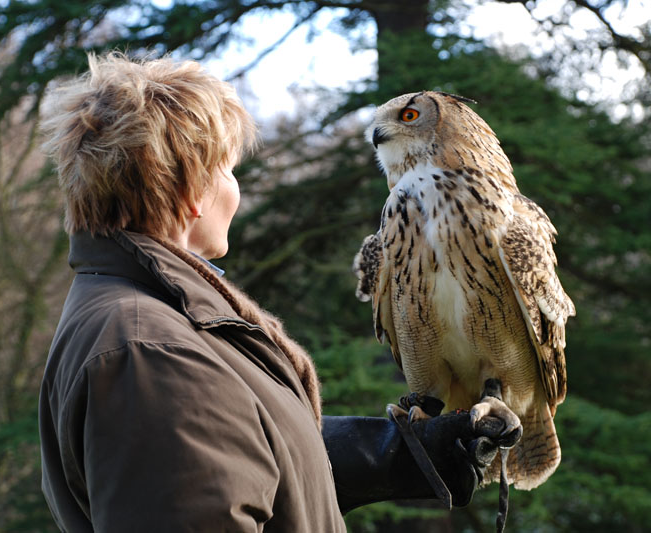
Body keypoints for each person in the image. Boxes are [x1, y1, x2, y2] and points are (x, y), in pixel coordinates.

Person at [38, 52, 507, 532]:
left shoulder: (146, 315)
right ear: (190, 189)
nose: (234, 189)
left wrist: (388, 455)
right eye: (228, 170)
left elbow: (227, 457)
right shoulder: (149, 353)